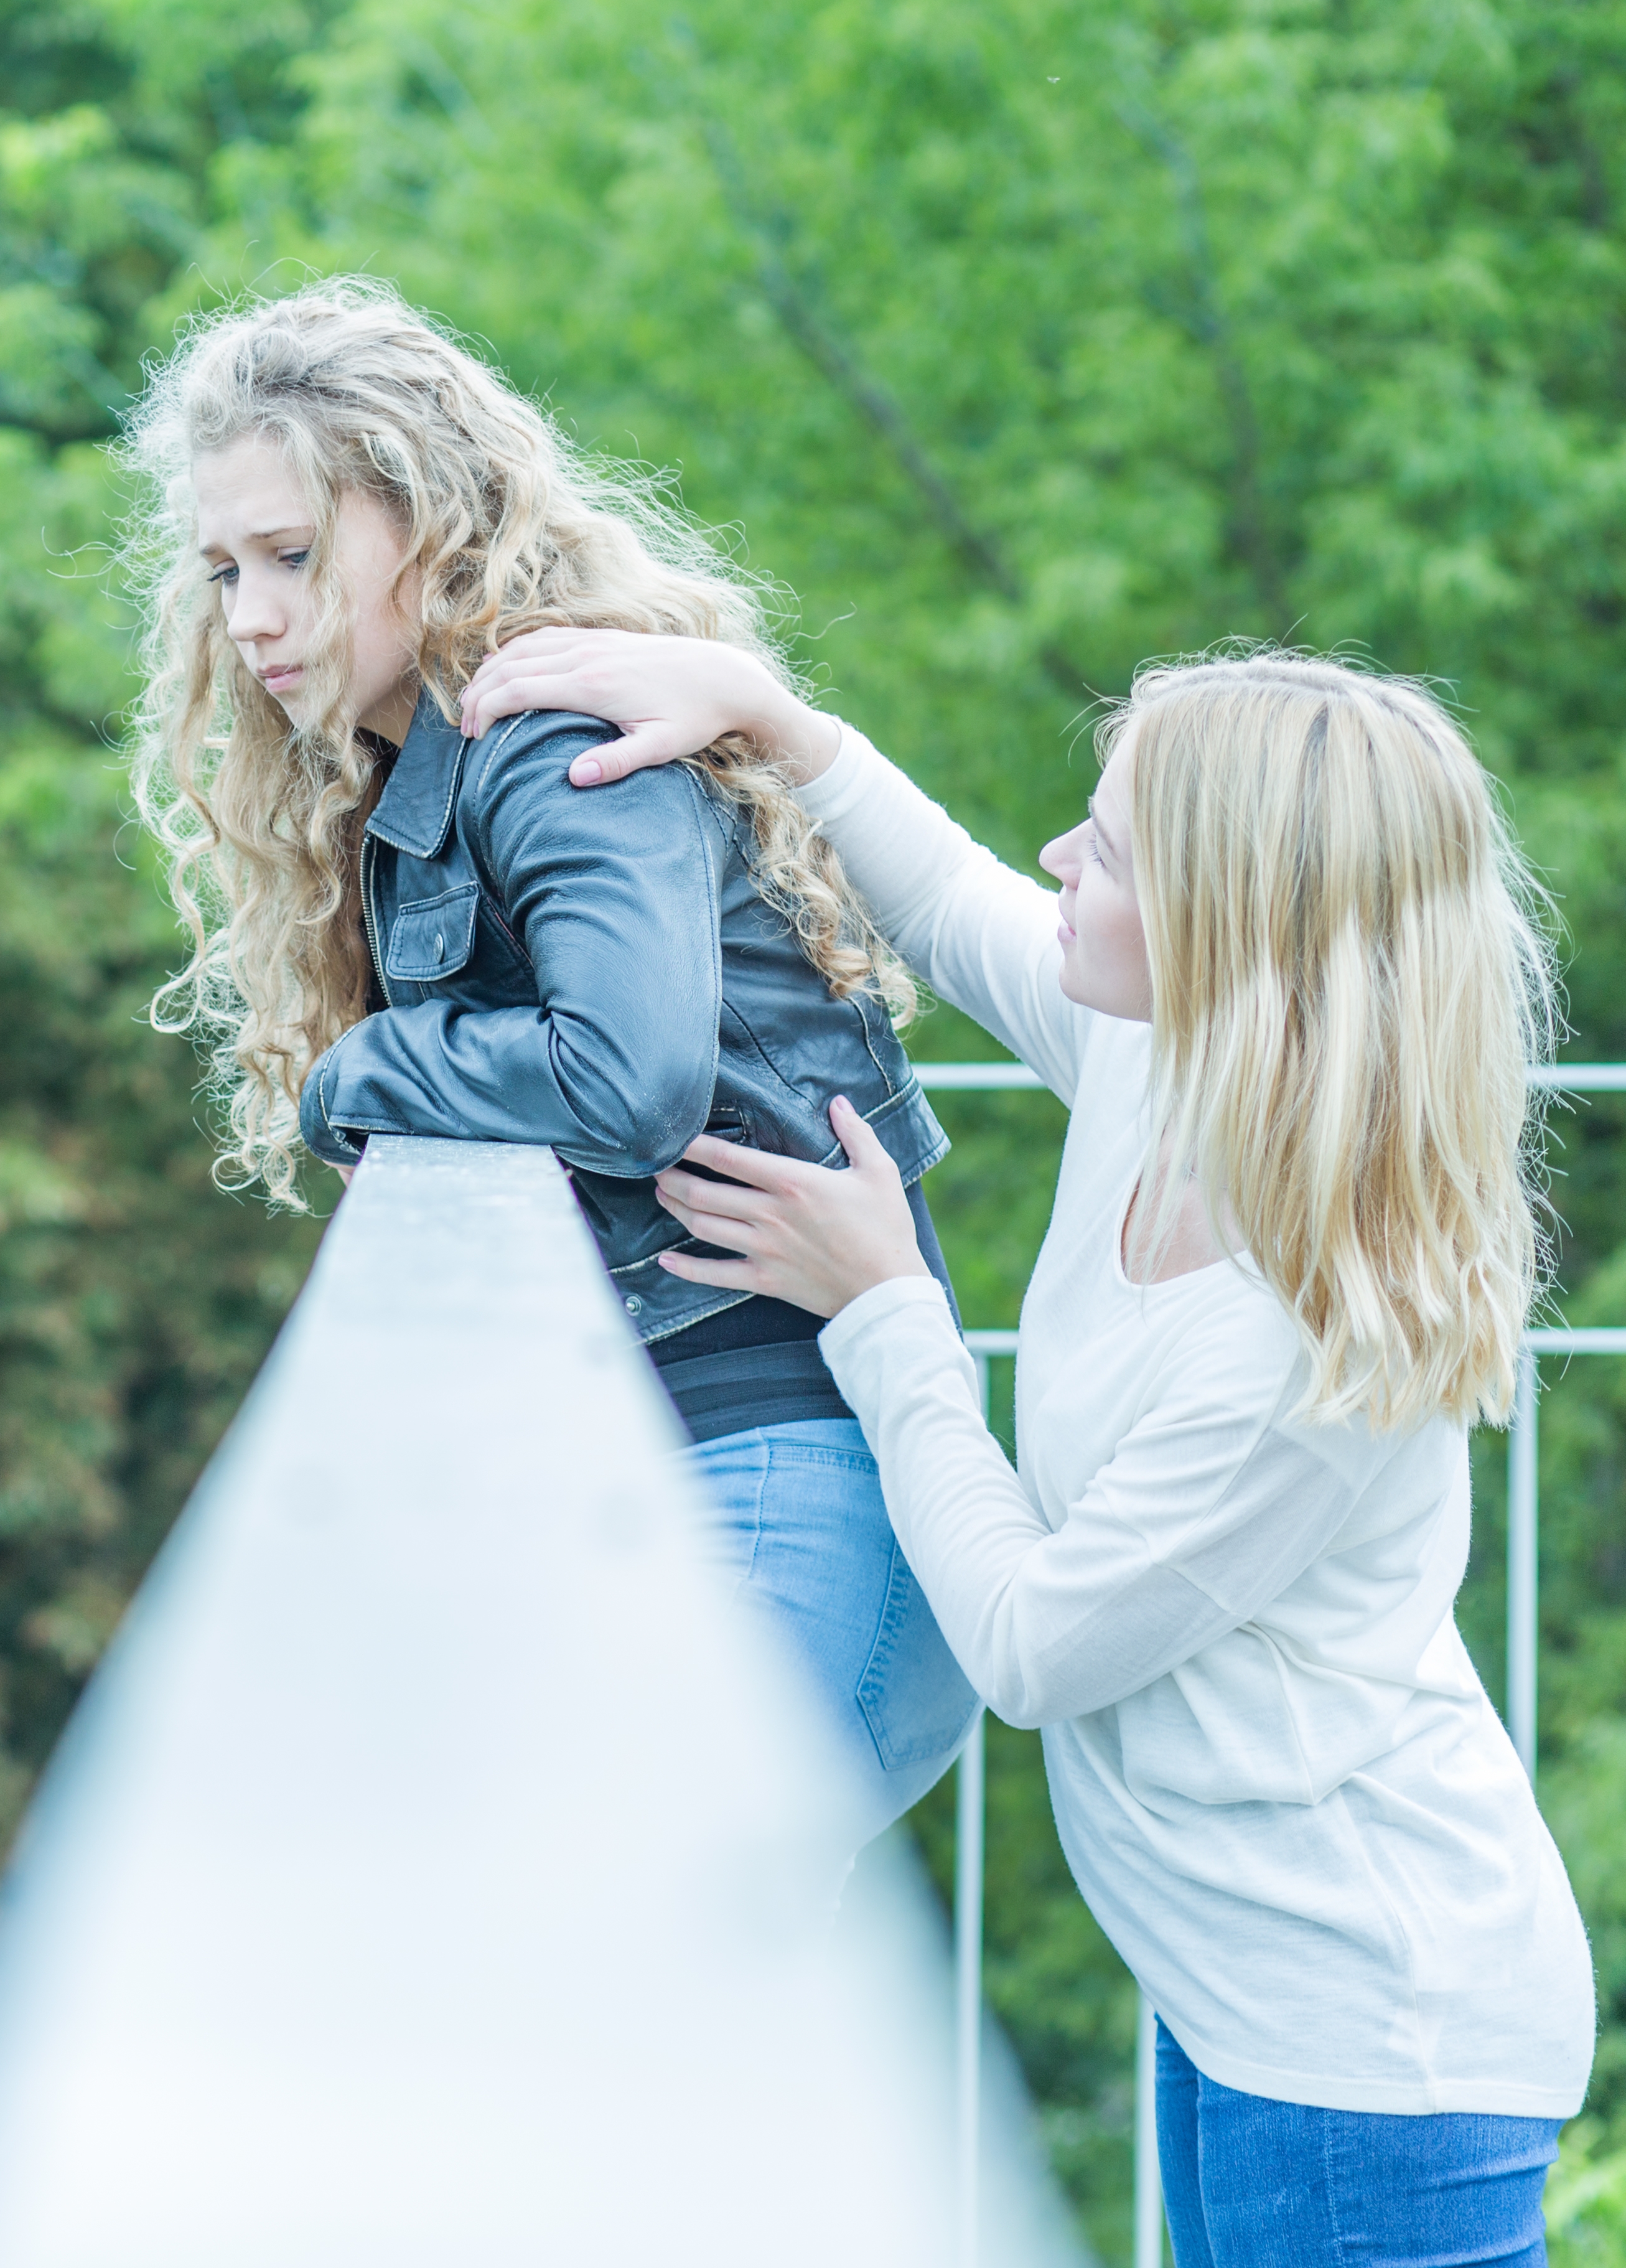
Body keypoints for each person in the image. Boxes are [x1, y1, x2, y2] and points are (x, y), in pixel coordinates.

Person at [458, 627, 1592, 2267]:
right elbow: (964, 908)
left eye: (1109, 850)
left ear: (1224, 930)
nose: (1058, 857)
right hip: (1249, 1983)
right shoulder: (1171, 1072)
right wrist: (772, 716)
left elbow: (1030, 1646)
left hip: (1369, 2023)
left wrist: (885, 1307)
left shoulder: (1293, 1343)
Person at [121, 279, 979, 1836]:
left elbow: (621, 1078)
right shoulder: (421, 754)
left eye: (293, 557)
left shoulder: (533, 734)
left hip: (786, 1480)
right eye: (223, 568)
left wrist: (355, 1076)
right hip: (694, 1473)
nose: (246, 619)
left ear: (427, 522)